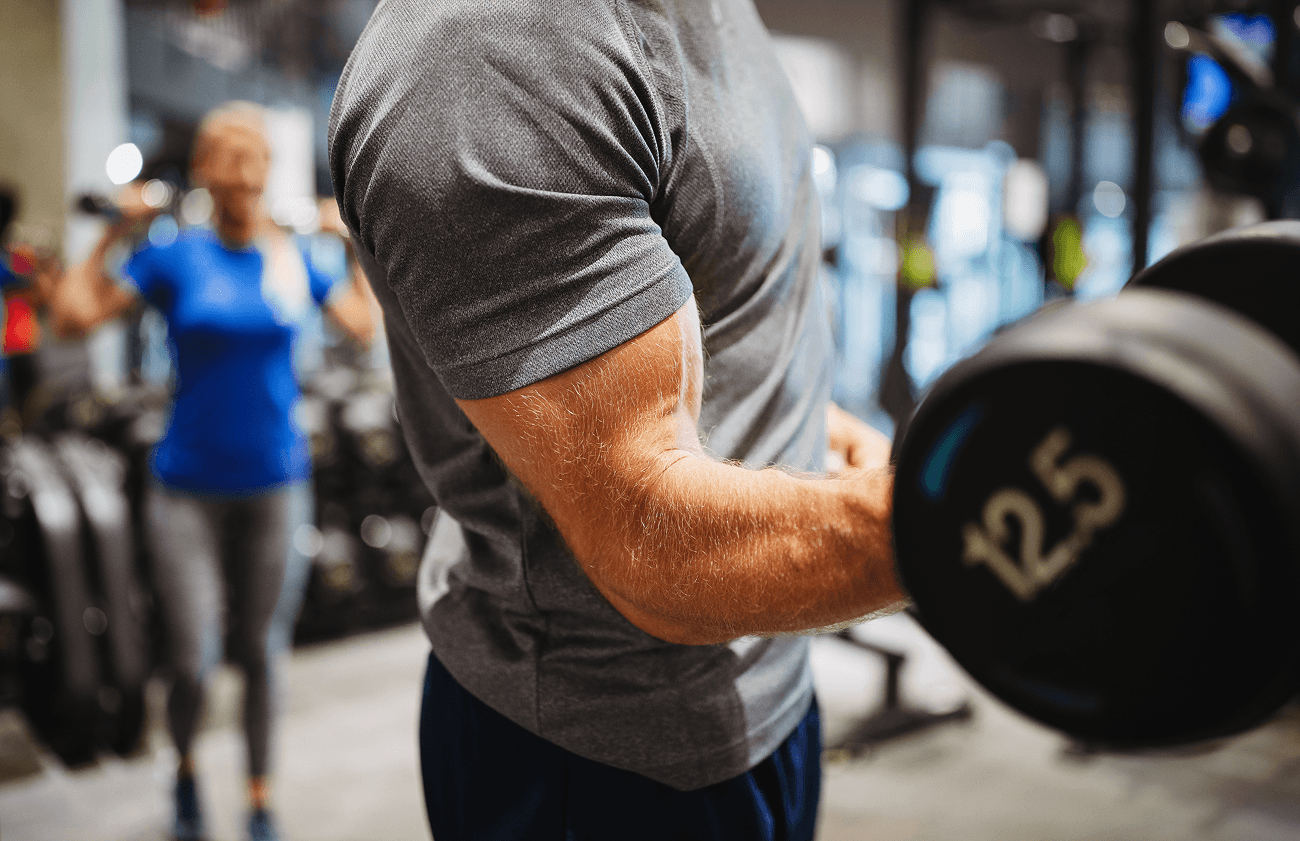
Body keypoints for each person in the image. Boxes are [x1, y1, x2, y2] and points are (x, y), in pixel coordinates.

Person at [329, 0, 908, 838]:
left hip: (763, 690)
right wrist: (961, 522)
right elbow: (649, 531)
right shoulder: (492, 56)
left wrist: (804, 413)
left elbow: (720, 275)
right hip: (607, 761)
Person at [49, 102, 374, 841]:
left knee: (261, 652)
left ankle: (260, 798)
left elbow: (361, 324)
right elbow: (70, 317)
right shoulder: (176, 257)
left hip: (275, 482)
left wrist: (351, 245)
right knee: (191, 655)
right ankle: (188, 773)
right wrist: (111, 230)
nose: (244, 169)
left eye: (255, 154)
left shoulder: (295, 257)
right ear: (204, 171)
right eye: (228, 155)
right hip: (187, 485)